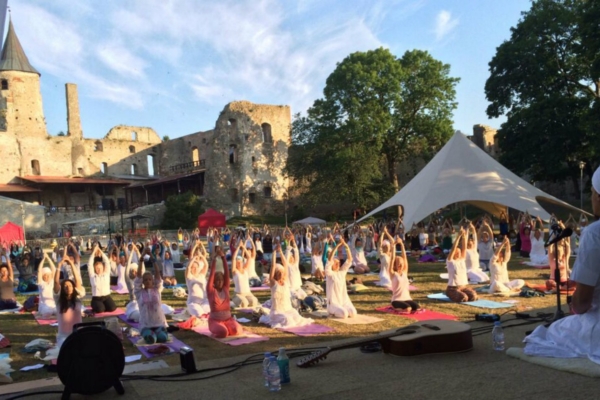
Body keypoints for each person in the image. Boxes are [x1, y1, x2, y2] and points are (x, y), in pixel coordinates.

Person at [524, 166, 600, 363]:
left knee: (553, 331)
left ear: (598, 197)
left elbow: (582, 303)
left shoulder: (594, 233)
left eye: (592, 193)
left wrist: (573, 307)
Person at [259, 245, 314, 328]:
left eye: (282, 272)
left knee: (297, 317)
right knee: (287, 320)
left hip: (287, 309)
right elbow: (273, 266)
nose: (282, 274)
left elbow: (285, 264)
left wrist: (281, 252)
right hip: (277, 311)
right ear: (276, 274)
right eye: (280, 272)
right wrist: (274, 252)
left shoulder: (286, 281)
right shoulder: (274, 283)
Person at [207, 247, 243, 338]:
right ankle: (219, 328)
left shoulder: (225, 288)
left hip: (228, 319)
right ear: (214, 282)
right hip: (215, 320)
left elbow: (227, 273)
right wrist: (214, 259)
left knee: (237, 330)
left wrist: (223, 258)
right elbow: (212, 274)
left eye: (221, 280)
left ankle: (227, 327)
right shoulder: (211, 290)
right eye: (217, 280)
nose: (220, 282)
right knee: (223, 333)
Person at [134, 249, 168, 344]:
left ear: (153, 281)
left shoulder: (157, 290)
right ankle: (149, 334)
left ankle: (159, 332)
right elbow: (139, 275)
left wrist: (152, 258)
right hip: (146, 324)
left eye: (150, 279)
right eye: (146, 280)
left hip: (159, 323)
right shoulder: (139, 292)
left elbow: (157, 274)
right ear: (143, 282)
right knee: (151, 339)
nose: (148, 281)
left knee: (162, 338)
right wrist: (141, 259)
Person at [54, 258, 83, 346]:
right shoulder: (58, 300)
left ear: (73, 287)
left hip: (78, 333)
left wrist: (71, 263)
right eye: (65, 286)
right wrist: (59, 266)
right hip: (63, 336)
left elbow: (77, 280)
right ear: (62, 289)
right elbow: (56, 282)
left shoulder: (78, 297)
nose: (68, 287)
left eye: (70, 285)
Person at [325, 238, 357, 319]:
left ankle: (343, 309)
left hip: (344, 301)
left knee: (353, 313)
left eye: (338, 263)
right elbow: (329, 259)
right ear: (331, 265)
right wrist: (337, 246)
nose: (337, 264)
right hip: (333, 303)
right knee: (344, 314)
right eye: (335, 263)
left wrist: (346, 246)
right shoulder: (329, 273)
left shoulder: (342, 272)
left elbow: (349, 259)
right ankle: (332, 311)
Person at [445, 229, 478, 302]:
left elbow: (464, 247)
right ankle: (449, 293)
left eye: (459, 252)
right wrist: (458, 236)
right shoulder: (450, 262)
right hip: (453, 288)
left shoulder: (462, 259)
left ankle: (461, 293)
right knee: (463, 298)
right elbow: (453, 248)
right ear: (454, 254)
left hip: (463, 287)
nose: (459, 253)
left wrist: (464, 236)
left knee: (473, 296)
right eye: (457, 252)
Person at [389, 238, 419, 312]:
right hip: (396, 299)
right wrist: (394, 247)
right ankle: (393, 307)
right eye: (398, 263)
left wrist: (402, 244)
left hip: (407, 298)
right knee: (408, 309)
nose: (400, 264)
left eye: (401, 263)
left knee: (417, 308)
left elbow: (405, 257)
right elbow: (392, 259)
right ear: (394, 265)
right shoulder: (393, 273)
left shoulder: (404, 272)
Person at [88, 245, 117, 313]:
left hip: (106, 296)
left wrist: (101, 251)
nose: (99, 269)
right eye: (97, 268)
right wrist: (94, 251)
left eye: (100, 268)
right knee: (100, 310)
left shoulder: (106, 274)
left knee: (112, 308)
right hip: (96, 298)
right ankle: (95, 305)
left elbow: (107, 262)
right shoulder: (92, 275)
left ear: (103, 268)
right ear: (95, 269)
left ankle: (103, 306)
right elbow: (90, 264)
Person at [231, 242, 259, 308]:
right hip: (238, 294)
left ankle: (246, 300)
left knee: (254, 301)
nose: (239, 263)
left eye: (240, 262)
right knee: (244, 303)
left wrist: (243, 247)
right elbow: (233, 258)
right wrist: (238, 247)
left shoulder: (245, 269)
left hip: (248, 293)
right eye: (238, 262)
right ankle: (234, 299)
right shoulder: (235, 271)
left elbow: (249, 257)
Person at [185, 247, 211, 317]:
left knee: (209, 313)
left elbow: (206, 265)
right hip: (193, 302)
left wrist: (201, 256)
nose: (195, 269)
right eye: (193, 267)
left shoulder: (201, 275)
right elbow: (188, 268)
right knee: (199, 314)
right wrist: (193, 258)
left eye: (196, 267)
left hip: (203, 301)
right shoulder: (189, 277)